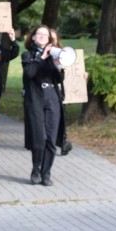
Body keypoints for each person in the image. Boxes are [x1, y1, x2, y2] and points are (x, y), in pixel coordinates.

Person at [22, 24, 67, 186]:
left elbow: (60, 79)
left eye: (45, 35)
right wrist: (41, 58)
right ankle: (36, 167)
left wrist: (57, 65)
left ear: (49, 40)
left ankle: (46, 173)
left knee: (51, 138)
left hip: (52, 98)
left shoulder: (54, 56)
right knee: (40, 138)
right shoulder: (27, 55)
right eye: (38, 34)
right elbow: (29, 73)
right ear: (32, 37)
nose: (41, 36)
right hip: (36, 98)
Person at [49, 28, 73, 156]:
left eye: (54, 38)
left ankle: (62, 141)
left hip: (58, 92)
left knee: (59, 118)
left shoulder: (63, 54)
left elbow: (72, 72)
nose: (52, 41)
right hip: (46, 92)